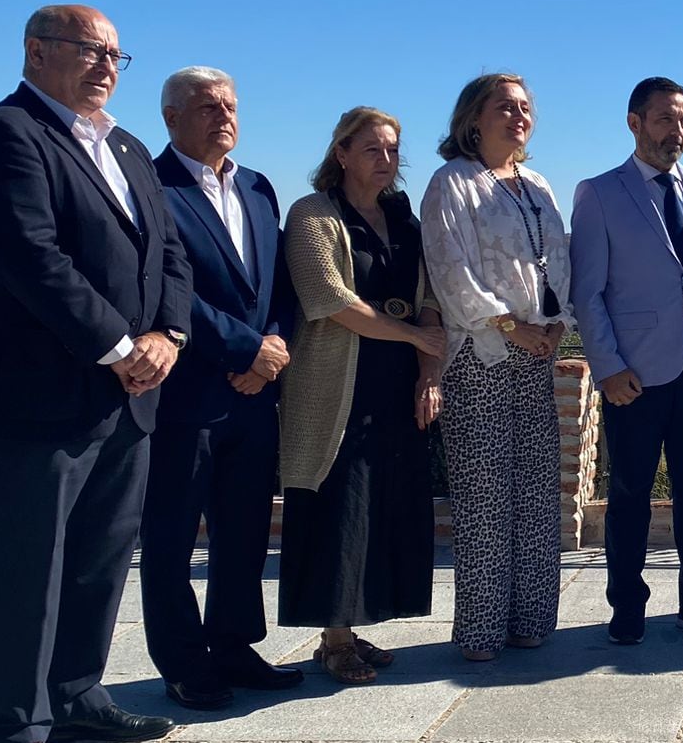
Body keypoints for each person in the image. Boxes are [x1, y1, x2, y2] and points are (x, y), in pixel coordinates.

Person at [0, 4, 191, 743]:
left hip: (128, 398)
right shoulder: (3, 134)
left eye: (117, 53)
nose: (107, 65)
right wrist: (122, 347)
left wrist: (170, 338)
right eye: (90, 50)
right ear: (37, 50)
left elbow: (170, 253)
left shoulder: (124, 147)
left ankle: (79, 696)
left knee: (99, 558)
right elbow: (30, 258)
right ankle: (12, 731)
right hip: (38, 398)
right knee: (26, 566)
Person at [139, 66, 303, 710]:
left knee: (243, 533)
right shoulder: (150, 186)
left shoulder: (259, 188)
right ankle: (183, 662)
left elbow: (278, 285)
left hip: (254, 393)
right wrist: (246, 349)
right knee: (173, 536)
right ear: (172, 118)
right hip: (186, 393)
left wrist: (275, 347)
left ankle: (234, 645)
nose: (223, 116)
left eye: (230, 105)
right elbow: (164, 289)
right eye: (207, 107)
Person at [570, 77, 683, 644]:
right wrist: (607, 365)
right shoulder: (599, 193)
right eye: (666, 119)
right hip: (633, 378)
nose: (678, 131)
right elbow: (587, 291)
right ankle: (627, 607)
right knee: (629, 495)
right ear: (635, 122)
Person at [277, 108, 446, 684]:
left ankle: (358, 621)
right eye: (372, 149)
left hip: (397, 383)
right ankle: (334, 637)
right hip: (334, 385)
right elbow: (329, 299)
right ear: (341, 153)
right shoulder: (313, 215)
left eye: (393, 150)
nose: (386, 160)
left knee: (382, 506)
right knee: (339, 507)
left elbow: (430, 296)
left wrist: (428, 372)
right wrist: (412, 334)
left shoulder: (403, 219)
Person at [420, 73, 573, 662]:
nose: (518, 116)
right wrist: (511, 325)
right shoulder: (451, 183)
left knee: (536, 494)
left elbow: (559, 261)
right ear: (473, 118)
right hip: (481, 354)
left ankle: (531, 618)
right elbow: (449, 267)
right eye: (504, 107)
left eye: (525, 107)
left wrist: (558, 322)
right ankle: (482, 630)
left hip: (537, 353)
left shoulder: (537, 184)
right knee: (484, 497)